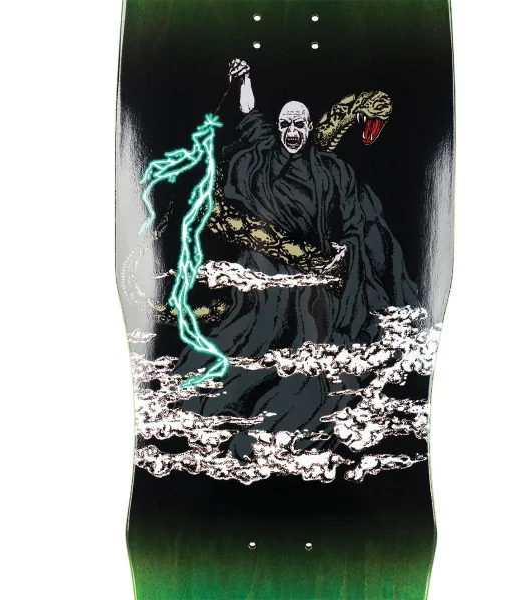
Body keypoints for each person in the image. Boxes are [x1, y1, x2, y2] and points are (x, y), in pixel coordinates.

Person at [172, 58, 417, 461]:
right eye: (285, 124)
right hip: (266, 274)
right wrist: (244, 79)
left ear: (309, 127)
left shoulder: (331, 171)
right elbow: (250, 114)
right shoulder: (263, 156)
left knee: (313, 347)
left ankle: (297, 426)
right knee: (246, 343)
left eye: (298, 125)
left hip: (315, 278)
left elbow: (355, 220)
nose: (291, 132)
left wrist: (345, 250)